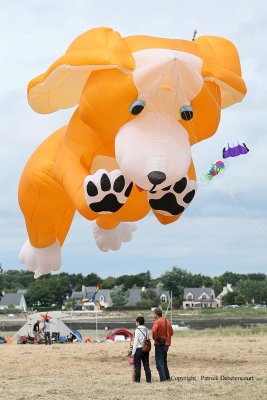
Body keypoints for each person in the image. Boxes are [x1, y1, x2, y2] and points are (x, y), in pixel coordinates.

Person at [152, 308, 173, 382]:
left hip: (159, 344)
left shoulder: (157, 322)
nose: (153, 315)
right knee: (164, 361)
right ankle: (167, 378)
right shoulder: (167, 321)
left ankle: (163, 379)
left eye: (153, 313)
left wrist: (155, 339)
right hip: (167, 344)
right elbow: (171, 333)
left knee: (159, 362)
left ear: (156, 314)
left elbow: (154, 331)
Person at [131, 316, 152, 383]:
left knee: (138, 366)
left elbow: (136, 341)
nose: (135, 323)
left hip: (139, 349)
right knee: (146, 365)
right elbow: (148, 339)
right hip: (145, 349)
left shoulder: (137, 330)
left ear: (138, 322)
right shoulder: (146, 329)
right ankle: (148, 380)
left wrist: (133, 352)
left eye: (136, 322)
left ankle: (137, 381)